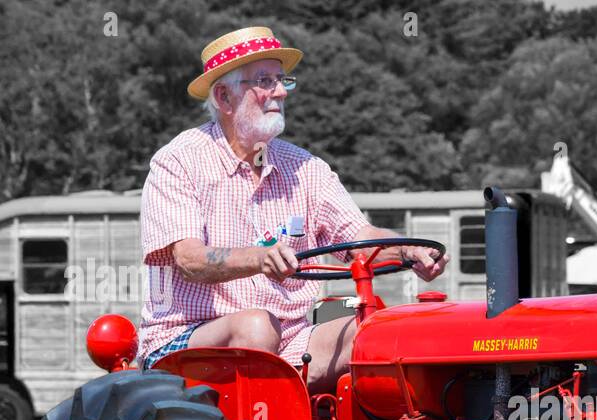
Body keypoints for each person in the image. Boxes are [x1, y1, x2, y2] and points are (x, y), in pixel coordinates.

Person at [137, 26, 449, 392]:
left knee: (376, 333)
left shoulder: (306, 168)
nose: (281, 91)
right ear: (224, 96)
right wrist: (258, 258)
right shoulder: (179, 161)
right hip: (187, 342)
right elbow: (190, 260)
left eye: (283, 80)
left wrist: (408, 248)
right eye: (265, 81)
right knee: (254, 326)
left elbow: (359, 237)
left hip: (289, 339)